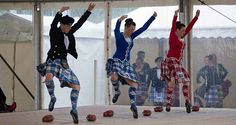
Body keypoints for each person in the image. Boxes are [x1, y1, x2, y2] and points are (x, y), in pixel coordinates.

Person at [37, 3, 95, 124]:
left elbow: (80, 23)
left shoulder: (69, 32)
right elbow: (53, 24)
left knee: (76, 86)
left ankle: (74, 110)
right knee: (48, 78)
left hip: (63, 64)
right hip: (52, 60)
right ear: (62, 25)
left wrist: (88, 11)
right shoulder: (54, 31)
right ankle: (53, 98)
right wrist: (59, 13)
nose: (70, 28)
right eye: (67, 26)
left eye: (70, 26)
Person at [106, 12, 157, 119]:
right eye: (131, 29)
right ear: (126, 28)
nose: (132, 31)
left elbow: (143, 28)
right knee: (114, 77)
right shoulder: (119, 35)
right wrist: (119, 20)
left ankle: (133, 104)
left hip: (126, 64)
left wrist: (152, 17)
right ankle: (117, 91)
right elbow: (116, 29)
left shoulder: (132, 36)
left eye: (133, 29)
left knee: (134, 84)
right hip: (117, 61)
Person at [161, 9, 200, 113]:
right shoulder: (173, 37)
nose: (184, 32)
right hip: (170, 62)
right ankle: (168, 103)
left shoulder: (181, 37)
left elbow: (189, 28)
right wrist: (175, 16)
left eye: (184, 31)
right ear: (176, 30)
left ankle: (187, 102)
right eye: (182, 30)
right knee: (172, 82)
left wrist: (195, 18)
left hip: (177, 63)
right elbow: (173, 25)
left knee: (186, 81)